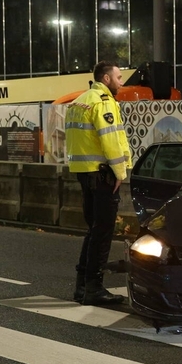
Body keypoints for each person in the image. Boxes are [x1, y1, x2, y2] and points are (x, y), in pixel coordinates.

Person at [66, 61, 133, 305]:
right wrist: (120, 173)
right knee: (103, 232)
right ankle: (94, 289)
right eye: (119, 77)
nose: (121, 82)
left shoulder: (79, 101)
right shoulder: (103, 102)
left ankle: (82, 287)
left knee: (93, 229)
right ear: (106, 79)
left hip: (84, 172)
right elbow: (111, 140)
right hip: (102, 174)